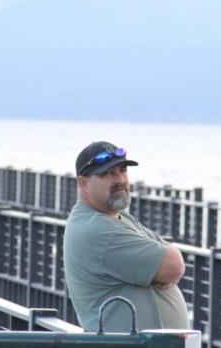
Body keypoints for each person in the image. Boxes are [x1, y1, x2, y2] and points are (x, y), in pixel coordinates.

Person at [63, 141, 191, 332]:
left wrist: (157, 269)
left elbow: (168, 257)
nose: (120, 179)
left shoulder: (117, 218)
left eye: (122, 170)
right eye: (107, 173)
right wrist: (159, 272)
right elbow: (174, 265)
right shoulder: (97, 230)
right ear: (83, 183)